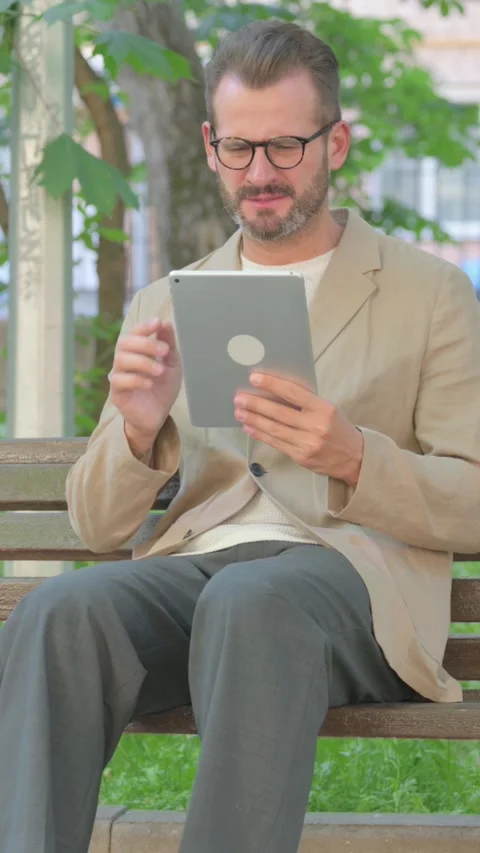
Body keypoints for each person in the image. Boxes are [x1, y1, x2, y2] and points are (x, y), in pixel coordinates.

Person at [1, 19, 480, 853]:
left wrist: (355, 457)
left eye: (287, 147)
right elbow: (96, 527)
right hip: (201, 569)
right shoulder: (169, 299)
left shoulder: (430, 292)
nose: (260, 173)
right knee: (57, 614)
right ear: (210, 145)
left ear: (337, 141)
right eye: (239, 148)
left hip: (351, 581)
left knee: (249, 602)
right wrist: (139, 428)